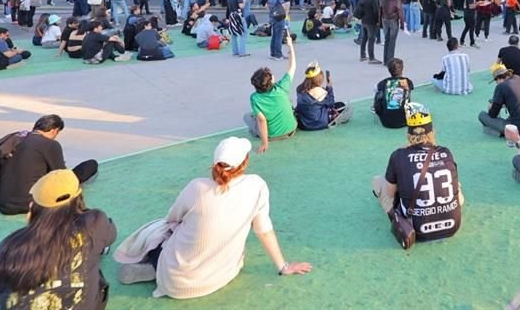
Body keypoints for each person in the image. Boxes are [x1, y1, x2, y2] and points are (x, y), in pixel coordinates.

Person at [117, 136, 312, 295]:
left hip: (175, 283)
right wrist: (283, 266)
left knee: (159, 229)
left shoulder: (197, 187)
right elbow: (264, 230)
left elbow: (172, 219)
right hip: (222, 276)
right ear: (245, 162)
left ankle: (153, 266)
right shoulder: (257, 185)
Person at [0, 170, 116, 309]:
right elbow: (111, 236)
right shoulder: (95, 222)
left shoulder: (8, 246)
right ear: (79, 198)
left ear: (33, 206)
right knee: (95, 268)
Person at [371, 103, 463, 244]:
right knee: (457, 186)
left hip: (415, 230)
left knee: (377, 181)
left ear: (409, 134)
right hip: (452, 226)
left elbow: (390, 193)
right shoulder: (446, 152)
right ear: (432, 132)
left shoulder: (398, 155)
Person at [0, 114, 99, 215]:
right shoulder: (50, 144)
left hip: (3, 205)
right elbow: (61, 176)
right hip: (34, 203)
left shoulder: (13, 139)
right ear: (54, 130)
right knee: (90, 165)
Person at [246, 34, 298, 152]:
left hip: (273, 136)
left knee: (248, 117)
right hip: (292, 130)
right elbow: (293, 66)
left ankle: (260, 135)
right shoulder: (281, 87)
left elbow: (262, 120)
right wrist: (290, 46)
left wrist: (264, 143)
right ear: (271, 80)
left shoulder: (254, 98)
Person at [478, 64, 520, 141]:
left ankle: (502, 132)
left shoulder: (501, 86)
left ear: (498, 79)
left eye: (496, 81)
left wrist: (492, 106)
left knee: (482, 115)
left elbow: (493, 114)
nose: (496, 83)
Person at [294, 62, 352, 130]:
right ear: (318, 79)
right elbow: (331, 103)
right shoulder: (319, 91)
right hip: (317, 123)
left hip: (303, 124)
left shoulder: (299, 89)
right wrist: (329, 87)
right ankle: (334, 118)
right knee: (341, 105)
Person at [372, 58, 414, 129]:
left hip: (386, 121)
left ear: (389, 70)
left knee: (378, 93)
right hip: (405, 120)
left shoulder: (382, 83)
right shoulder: (408, 82)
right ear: (402, 69)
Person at [357, 0, 381, 64]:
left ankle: (362, 55)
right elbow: (376, 10)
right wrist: (377, 21)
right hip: (371, 21)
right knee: (371, 39)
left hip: (364, 20)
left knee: (364, 38)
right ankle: (371, 57)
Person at [381, 0, 404, 66]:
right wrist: (402, 25)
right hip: (393, 21)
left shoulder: (383, 0)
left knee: (386, 40)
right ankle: (390, 61)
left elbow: (380, 11)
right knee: (392, 41)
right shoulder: (396, 1)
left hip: (384, 20)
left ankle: (385, 60)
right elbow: (400, 14)